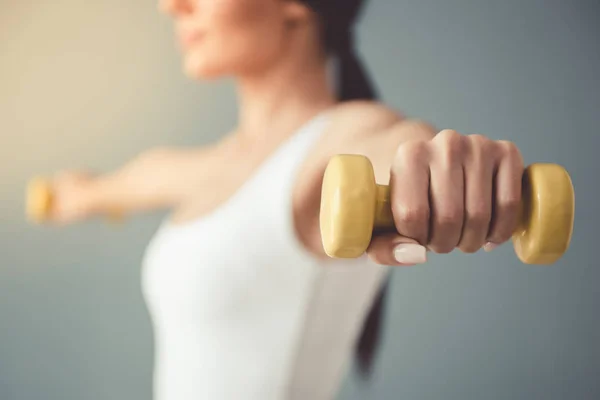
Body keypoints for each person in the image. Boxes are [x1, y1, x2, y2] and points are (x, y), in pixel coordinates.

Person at [43, 0, 524, 399]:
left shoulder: (347, 138)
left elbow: (398, 152)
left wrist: (443, 166)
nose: (172, 6)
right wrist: (74, 195)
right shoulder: (213, 164)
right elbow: (136, 179)